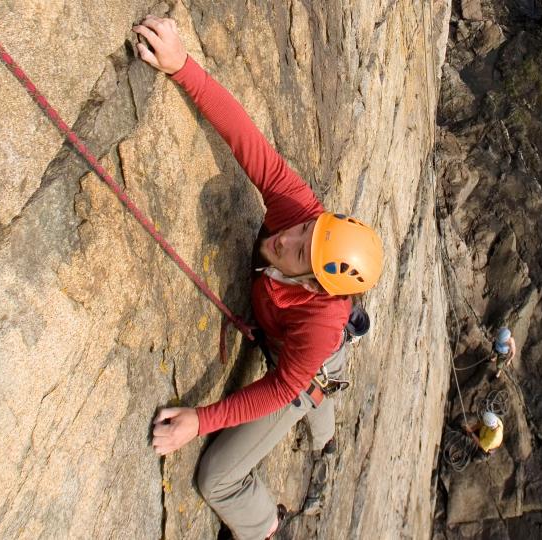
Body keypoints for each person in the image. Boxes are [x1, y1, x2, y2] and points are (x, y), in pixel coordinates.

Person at [132, 15, 384, 540]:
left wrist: (199, 422)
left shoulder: (315, 322)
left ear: (315, 284)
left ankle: (268, 525)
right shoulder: (301, 215)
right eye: (306, 231)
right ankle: (326, 439)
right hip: (312, 349)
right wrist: (182, 66)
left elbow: (280, 388)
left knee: (217, 478)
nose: (285, 239)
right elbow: (248, 142)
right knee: (321, 377)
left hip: (306, 369)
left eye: (300, 253)